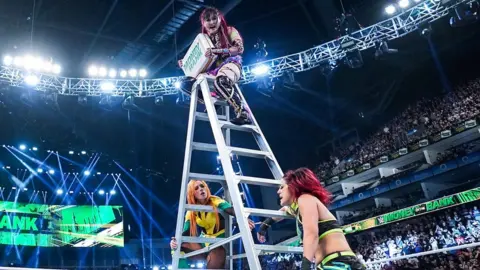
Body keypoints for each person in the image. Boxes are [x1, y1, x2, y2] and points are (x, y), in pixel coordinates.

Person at [259, 168, 365, 270]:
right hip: (334, 263)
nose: (278, 192)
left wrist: (305, 266)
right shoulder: (301, 205)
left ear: (292, 186)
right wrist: (265, 225)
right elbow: (285, 210)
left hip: (338, 263)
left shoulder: (305, 199)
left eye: (282, 187)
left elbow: (312, 234)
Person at [178, 6, 251, 125]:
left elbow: (239, 49)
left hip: (231, 64)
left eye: (214, 19)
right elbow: (198, 60)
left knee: (221, 81)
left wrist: (218, 51)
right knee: (185, 83)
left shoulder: (229, 30)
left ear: (219, 19)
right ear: (203, 23)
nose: (212, 22)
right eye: (208, 20)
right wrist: (185, 63)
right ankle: (212, 101)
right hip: (213, 71)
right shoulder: (204, 40)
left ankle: (243, 113)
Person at [170, 180, 255, 269]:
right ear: (192, 193)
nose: (201, 189)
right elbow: (186, 232)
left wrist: (244, 220)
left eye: (202, 186)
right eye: (196, 188)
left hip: (219, 241)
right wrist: (175, 242)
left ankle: (212, 258)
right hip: (204, 241)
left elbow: (230, 209)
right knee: (178, 245)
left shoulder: (214, 200)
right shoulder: (191, 211)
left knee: (218, 254)